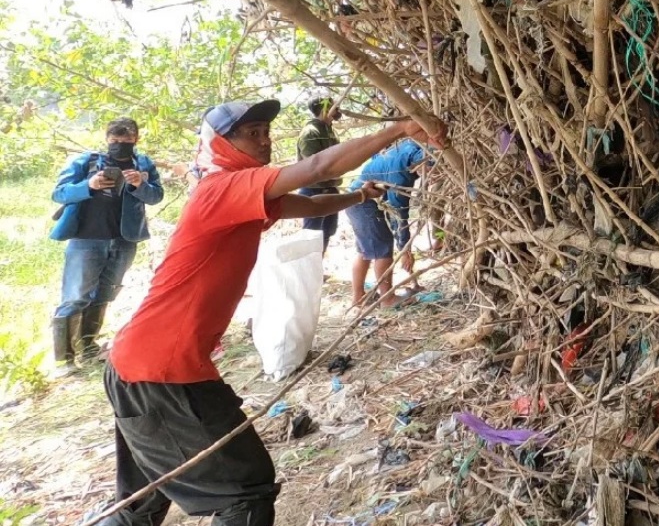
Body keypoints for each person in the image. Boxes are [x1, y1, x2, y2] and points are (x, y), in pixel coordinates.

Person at [100, 100, 446, 526]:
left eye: (266, 130)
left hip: (136, 363)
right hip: (165, 371)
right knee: (246, 491)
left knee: (145, 496)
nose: (265, 140)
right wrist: (397, 129)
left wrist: (359, 194)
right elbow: (317, 168)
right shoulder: (222, 187)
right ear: (219, 143)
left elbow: (312, 205)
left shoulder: (235, 192)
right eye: (252, 133)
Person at [49, 118, 163, 374]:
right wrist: (88, 185)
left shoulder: (143, 164)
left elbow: (156, 196)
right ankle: (63, 361)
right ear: (106, 138)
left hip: (125, 239)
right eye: (115, 140)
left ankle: (88, 348)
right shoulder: (86, 161)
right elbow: (59, 193)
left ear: (136, 139)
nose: (120, 144)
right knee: (76, 295)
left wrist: (139, 184)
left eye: (126, 140)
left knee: (105, 293)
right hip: (86, 239)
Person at [343, 138, 429, 308]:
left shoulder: (407, 149)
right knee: (383, 248)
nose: (432, 176)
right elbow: (399, 214)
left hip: (353, 198)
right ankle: (387, 299)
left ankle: (358, 297)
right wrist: (405, 249)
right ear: (419, 163)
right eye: (430, 170)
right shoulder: (401, 174)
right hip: (362, 200)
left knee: (365, 250)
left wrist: (405, 248)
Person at [295, 97, 343, 251]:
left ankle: (317, 271)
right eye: (334, 106)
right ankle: (307, 274)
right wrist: (333, 172)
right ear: (325, 109)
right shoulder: (311, 132)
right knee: (312, 238)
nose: (338, 109)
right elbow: (313, 165)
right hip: (314, 191)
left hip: (330, 190)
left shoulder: (329, 130)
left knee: (327, 233)